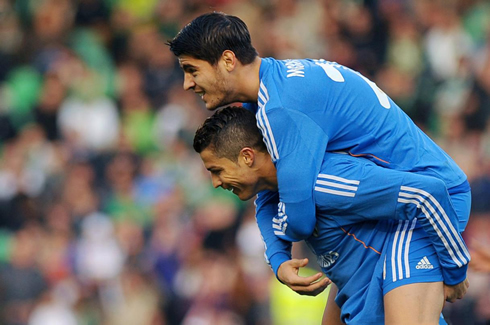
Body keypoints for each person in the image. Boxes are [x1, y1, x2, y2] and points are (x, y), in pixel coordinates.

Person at [167, 11, 471, 321]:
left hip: (426, 201)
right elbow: (270, 189)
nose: (187, 84)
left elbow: (299, 218)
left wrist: (456, 268)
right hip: (396, 204)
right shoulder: (268, 96)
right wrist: (278, 256)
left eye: (192, 70)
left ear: (228, 61)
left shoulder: (281, 109)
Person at [192, 106, 470, 324]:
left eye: (217, 170)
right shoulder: (275, 192)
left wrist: (456, 268)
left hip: (397, 279)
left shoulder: (324, 183)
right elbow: (264, 207)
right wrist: (278, 261)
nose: (216, 182)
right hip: (355, 294)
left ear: (247, 156)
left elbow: (425, 193)